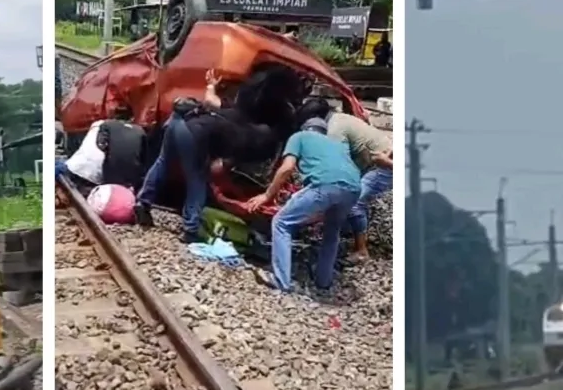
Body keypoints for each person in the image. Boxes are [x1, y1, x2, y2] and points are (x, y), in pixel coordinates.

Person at [136, 69, 272, 242]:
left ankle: (143, 202)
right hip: (193, 132)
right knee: (197, 179)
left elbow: (210, 100)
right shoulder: (244, 126)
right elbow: (224, 162)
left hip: (177, 120)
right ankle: (190, 229)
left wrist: (211, 85)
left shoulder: (228, 109)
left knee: (162, 163)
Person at [245, 117, 361, 293]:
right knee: (332, 231)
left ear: (306, 128)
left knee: (281, 223)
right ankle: (324, 282)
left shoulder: (299, 136)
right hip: (354, 187)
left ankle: (281, 280)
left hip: (326, 184)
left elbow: (287, 168)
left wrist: (267, 195)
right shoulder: (336, 144)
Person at [297, 98, 393, 262]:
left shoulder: (334, 130)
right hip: (373, 160)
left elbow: (339, 165)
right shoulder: (339, 118)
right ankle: (349, 229)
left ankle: (361, 250)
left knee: (355, 202)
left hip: (381, 165)